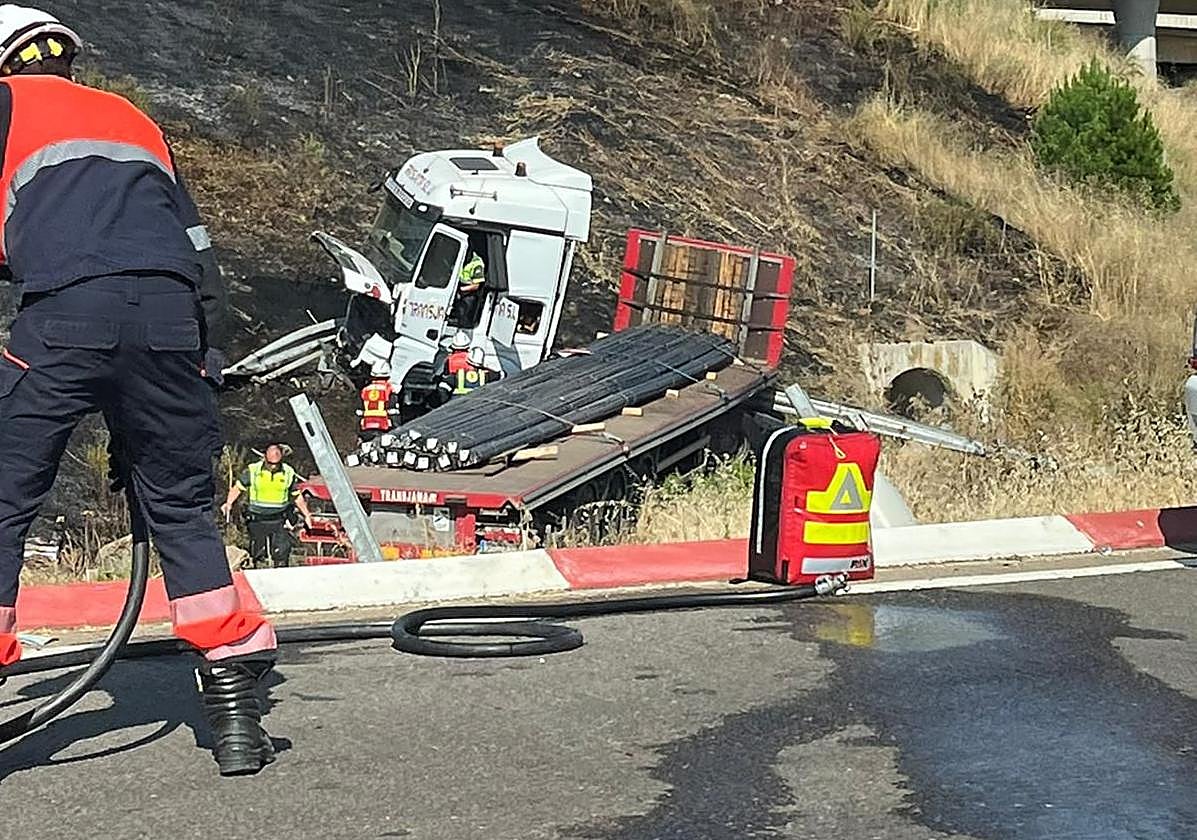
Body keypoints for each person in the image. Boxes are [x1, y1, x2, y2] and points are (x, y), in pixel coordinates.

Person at [0, 6, 277, 776]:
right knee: (182, 508)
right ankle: (234, 721)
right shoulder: (134, 119)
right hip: (170, 323)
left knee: (2, 501)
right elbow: (196, 248)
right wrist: (200, 366)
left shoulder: (6, 105)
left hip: (63, 318)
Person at [221, 444, 315, 569]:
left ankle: (281, 577)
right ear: (265, 458)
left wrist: (307, 515)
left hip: (279, 519)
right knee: (258, 553)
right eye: (270, 463)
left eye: (276, 463)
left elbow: (296, 496)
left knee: (282, 552)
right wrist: (228, 503)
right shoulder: (253, 471)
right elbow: (237, 488)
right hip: (257, 519)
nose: (273, 466)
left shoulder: (288, 472)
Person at [356, 376, 399, 441]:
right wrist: (396, 430)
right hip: (383, 426)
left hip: (367, 426)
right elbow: (392, 411)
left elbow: (359, 411)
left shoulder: (366, 389)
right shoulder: (388, 388)